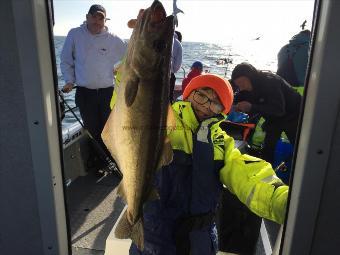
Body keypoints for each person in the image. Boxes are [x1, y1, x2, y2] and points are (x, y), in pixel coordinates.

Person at [130, 74, 288, 255]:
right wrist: (128, 75)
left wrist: (284, 202)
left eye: (216, 103)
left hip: (201, 241)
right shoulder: (159, 123)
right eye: (201, 95)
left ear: (222, 111)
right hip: (154, 235)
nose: (206, 105)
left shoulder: (221, 142)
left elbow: (248, 175)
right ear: (188, 93)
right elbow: (131, 104)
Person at [60, 4, 127, 159]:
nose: (97, 21)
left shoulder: (114, 39)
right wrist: (69, 80)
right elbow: (65, 60)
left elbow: (130, 58)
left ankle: (114, 161)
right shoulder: (75, 34)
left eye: (101, 18)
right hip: (85, 93)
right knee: (92, 129)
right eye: (94, 17)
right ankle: (100, 162)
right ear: (87, 17)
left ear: (105, 20)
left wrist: (120, 69)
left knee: (110, 129)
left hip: (108, 93)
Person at [231, 62, 302, 164]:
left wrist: (251, 107)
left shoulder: (270, 82)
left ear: (251, 77)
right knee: (267, 149)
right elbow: (238, 97)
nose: (241, 88)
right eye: (238, 85)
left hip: (294, 114)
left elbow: (279, 109)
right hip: (274, 118)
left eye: (242, 84)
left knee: (299, 148)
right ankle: (266, 173)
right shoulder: (247, 86)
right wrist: (233, 105)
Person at [169, 31, 183, 102]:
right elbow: (177, 66)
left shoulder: (163, 38)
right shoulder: (178, 44)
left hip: (154, 74)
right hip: (169, 76)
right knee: (168, 98)